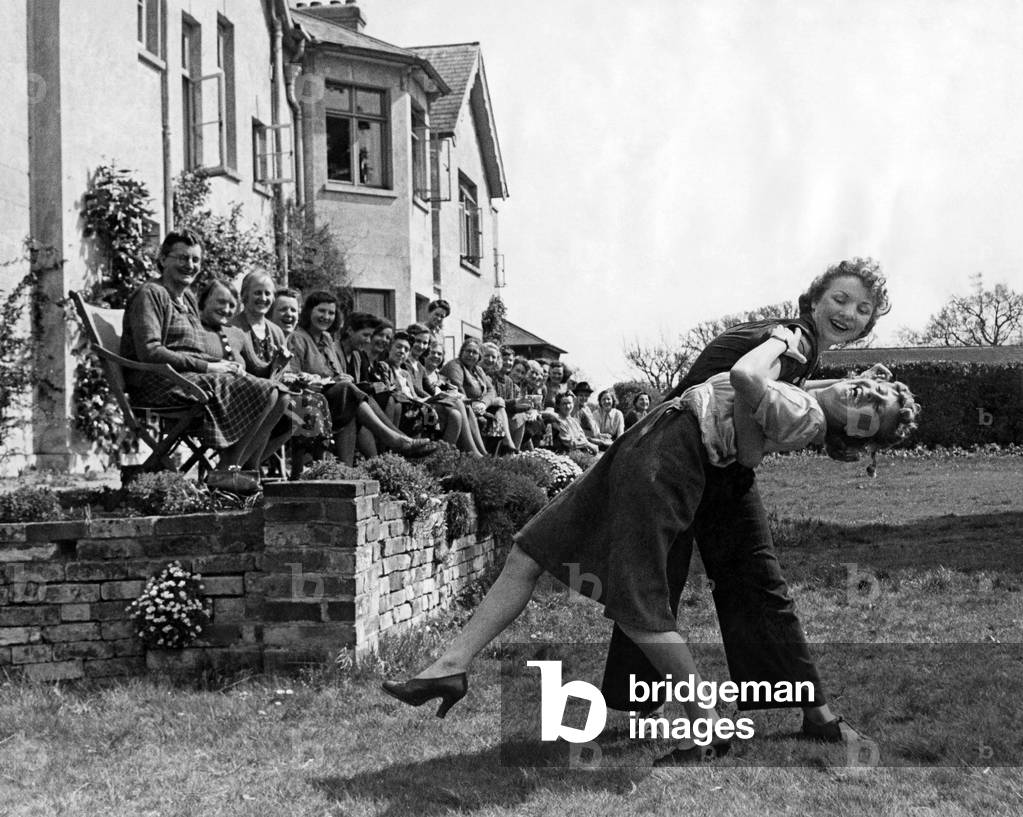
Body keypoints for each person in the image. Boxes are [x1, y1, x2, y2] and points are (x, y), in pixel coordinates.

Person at [381, 326, 919, 769]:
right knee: (532, 548)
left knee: (637, 603)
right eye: (874, 389)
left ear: (853, 436)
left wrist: (780, 338)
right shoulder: (807, 396)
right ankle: (450, 664)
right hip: (652, 439)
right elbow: (756, 427)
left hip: (669, 458)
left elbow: (743, 374)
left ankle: (705, 726)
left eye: (874, 412)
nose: (866, 398)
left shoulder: (806, 415)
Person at [600, 256, 894, 750]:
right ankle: (813, 716)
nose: (848, 313)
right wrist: (755, 453)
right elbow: (750, 384)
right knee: (729, 584)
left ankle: (808, 714)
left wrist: (850, 381)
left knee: (708, 582)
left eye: (862, 309)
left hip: (690, 458)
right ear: (816, 297)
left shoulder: (797, 342)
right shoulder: (796, 339)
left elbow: (787, 392)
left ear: (867, 324)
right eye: (840, 299)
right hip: (689, 461)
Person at [120, 232, 291, 493]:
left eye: (195, 260)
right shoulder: (150, 294)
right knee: (266, 392)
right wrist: (209, 367)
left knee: (282, 397)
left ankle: (233, 468)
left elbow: (194, 349)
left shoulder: (187, 298)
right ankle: (227, 471)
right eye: (182, 258)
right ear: (163, 259)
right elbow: (150, 352)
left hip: (188, 378)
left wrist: (222, 363)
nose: (189, 265)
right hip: (159, 382)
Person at [286, 291, 431, 463]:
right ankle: (394, 442)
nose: (326, 317)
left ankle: (391, 445)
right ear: (310, 311)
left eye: (331, 313)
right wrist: (325, 380)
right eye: (321, 311)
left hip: (330, 398)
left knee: (354, 397)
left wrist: (340, 377)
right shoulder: (298, 338)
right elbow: (292, 376)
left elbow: (334, 373)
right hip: (307, 398)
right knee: (350, 393)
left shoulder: (326, 339)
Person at [550, 391, 599, 455]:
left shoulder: (574, 421)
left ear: (573, 404)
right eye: (564, 404)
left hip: (580, 453)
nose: (568, 406)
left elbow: (582, 437)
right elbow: (569, 443)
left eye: (570, 403)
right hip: (563, 455)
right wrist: (588, 444)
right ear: (558, 405)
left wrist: (588, 445)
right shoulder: (557, 420)